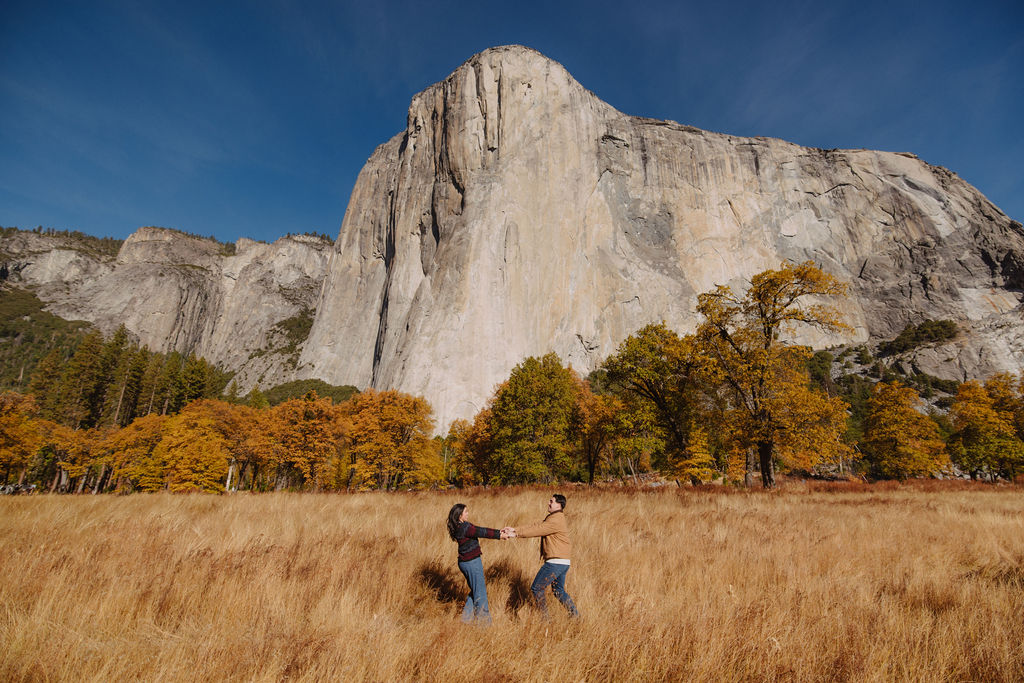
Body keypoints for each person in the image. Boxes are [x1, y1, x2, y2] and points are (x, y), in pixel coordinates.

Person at [504, 493, 578, 618]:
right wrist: (515, 530)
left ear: (559, 505)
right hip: (562, 562)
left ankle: (545, 620)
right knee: (558, 590)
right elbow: (536, 525)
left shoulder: (556, 520)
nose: (548, 503)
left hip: (556, 562)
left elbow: (538, 530)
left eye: (552, 502)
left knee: (537, 588)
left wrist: (516, 534)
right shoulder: (553, 517)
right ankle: (575, 616)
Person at [447, 503, 513, 624]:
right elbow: (482, 531)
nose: (468, 513)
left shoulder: (458, 526)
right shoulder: (465, 527)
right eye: (466, 512)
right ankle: (484, 625)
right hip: (471, 563)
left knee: (475, 590)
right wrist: (500, 534)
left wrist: (499, 532)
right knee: (480, 593)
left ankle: (465, 621)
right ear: (460, 515)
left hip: (465, 562)